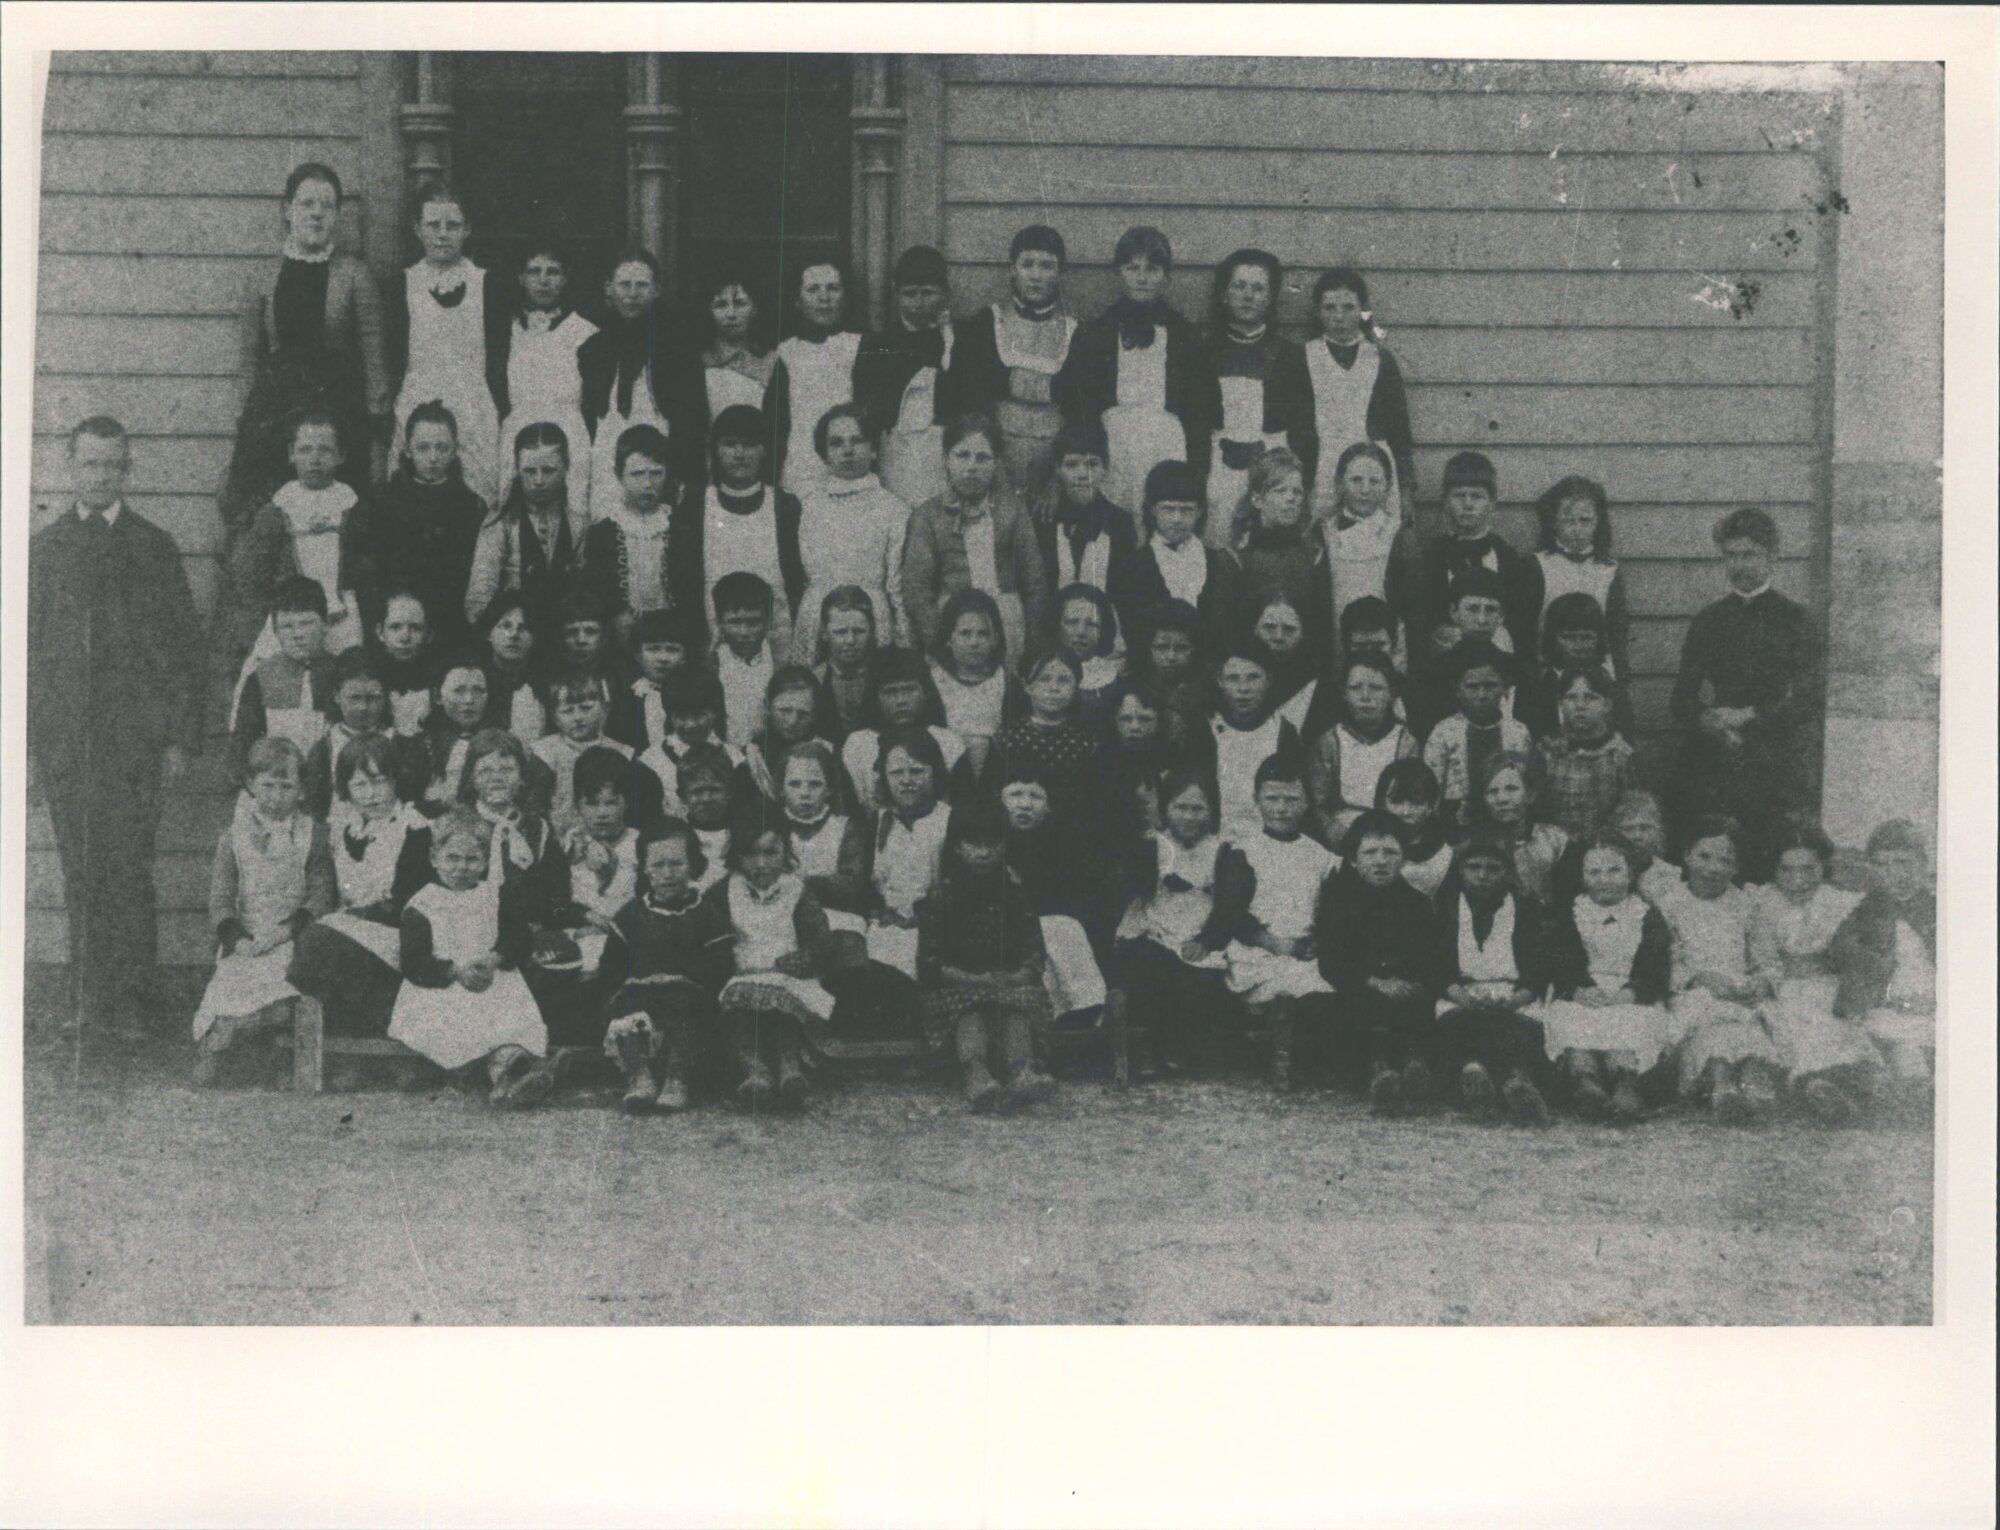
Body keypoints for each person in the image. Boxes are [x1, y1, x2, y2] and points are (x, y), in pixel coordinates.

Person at [28, 417, 205, 1037]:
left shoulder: (152, 546)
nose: (100, 476)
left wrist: (181, 739)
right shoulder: (45, 550)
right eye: (89, 464)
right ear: (70, 468)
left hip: (135, 743)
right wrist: (27, 747)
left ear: (126, 470)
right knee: (80, 869)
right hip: (67, 742)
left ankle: (132, 1000)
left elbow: (184, 648)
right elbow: (25, 652)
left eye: (111, 465)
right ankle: (88, 998)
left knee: (130, 867)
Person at [219, 163, 389, 537]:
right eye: (306, 203)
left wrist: (377, 439)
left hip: (339, 416)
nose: (316, 213)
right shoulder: (263, 277)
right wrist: (246, 427)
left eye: (327, 206)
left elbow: (375, 364)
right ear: (287, 209)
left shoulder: (354, 275)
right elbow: (249, 362)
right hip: (275, 417)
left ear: (337, 215)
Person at [1669, 506, 1823, 880]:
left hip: (1774, 755)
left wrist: (1749, 716)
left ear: (1772, 556)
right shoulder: (1710, 620)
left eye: (1749, 554)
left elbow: (1807, 698)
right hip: (1717, 755)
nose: (1739, 564)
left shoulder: (1796, 620)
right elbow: (1682, 697)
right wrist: (1709, 720)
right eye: (1731, 555)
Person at [190, 738, 337, 1083]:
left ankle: (261, 1054)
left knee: (284, 990)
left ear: (301, 791)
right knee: (231, 982)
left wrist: (285, 932)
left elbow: (320, 895)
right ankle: (216, 1043)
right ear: (251, 785)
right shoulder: (233, 837)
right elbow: (221, 900)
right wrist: (238, 940)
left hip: (291, 935)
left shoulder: (313, 834)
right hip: (247, 936)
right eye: (267, 785)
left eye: (286, 786)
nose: (276, 794)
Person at [389, 807, 553, 1106]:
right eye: (452, 858)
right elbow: (414, 963)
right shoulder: (423, 904)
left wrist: (494, 958)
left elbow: (518, 936)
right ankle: (502, 1075)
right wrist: (455, 971)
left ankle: (512, 1070)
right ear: (434, 858)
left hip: (489, 976)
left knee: (509, 1019)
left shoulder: (493, 895)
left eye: (471, 859)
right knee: (456, 1024)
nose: (461, 867)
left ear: (486, 861)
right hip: (442, 983)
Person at [1057, 225, 1220, 519]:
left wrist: (1196, 473)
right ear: (1119, 273)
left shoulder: (1186, 336)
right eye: (1133, 268)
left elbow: (1200, 412)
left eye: (1153, 269)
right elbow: (1078, 403)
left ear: (1167, 276)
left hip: (1167, 446)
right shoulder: (1096, 333)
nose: (1142, 278)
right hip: (1112, 446)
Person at [286, 733, 434, 1050]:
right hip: (348, 930)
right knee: (314, 944)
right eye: (360, 785)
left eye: (380, 782)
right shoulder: (341, 830)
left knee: (318, 945)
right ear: (346, 789)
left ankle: (377, 1035)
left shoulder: (413, 827)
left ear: (395, 780)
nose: (371, 795)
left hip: (396, 933)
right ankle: (361, 1039)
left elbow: (410, 903)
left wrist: (352, 919)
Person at [918, 795, 1057, 1112]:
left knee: (1018, 1008)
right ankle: (975, 1074)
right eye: (973, 844)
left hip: (1005, 980)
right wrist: (971, 979)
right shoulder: (943, 896)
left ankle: (1021, 1070)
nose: (983, 852)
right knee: (969, 1012)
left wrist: (1018, 975)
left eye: (992, 844)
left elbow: (1033, 947)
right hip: (955, 985)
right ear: (956, 846)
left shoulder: (1015, 893)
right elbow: (929, 963)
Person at [1201, 756, 1339, 1074]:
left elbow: (1329, 912)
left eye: (1291, 800)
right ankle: (1276, 1023)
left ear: (1306, 802)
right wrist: (1275, 943)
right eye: (1272, 799)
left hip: (1304, 952)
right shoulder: (1243, 851)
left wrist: (1314, 942)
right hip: (1259, 950)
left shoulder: (1320, 855)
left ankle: (1294, 1032)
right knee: (1293, 989)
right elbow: (1231, 912)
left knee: (1325, 990)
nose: (1281, 808)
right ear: (1256, 801)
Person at [600, 819, 734, 1115]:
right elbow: (611, 963)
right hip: (640, 994)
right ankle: (640, 1078)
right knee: (624, 1012)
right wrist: (617, 991)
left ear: (693, 865)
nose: (668, 874)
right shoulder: (632, 914)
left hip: (687, 995)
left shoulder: (705, 912)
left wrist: (693, 980)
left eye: (676, 864)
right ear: (645, 869)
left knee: (686, 1012)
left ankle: (677, 1079)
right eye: (658, 865)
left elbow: (721, 961)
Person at [710, 803, 838, 1111]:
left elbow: (820, 939)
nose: (762, 864)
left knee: (783, 1013)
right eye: (752, 854)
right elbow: (711, 937)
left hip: (786, 974)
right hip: (741, 975)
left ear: (786, 851)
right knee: (739, 1013)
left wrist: (801, 960)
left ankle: (789, 1068)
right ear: (737, 856)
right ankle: (755, 1071)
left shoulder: (796, 890)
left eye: (771, 853)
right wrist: (724, 962)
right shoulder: (724, 891)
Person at [216, 410, 366, 672]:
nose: (315, 459)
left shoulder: (354, 508)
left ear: (341, 455)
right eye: (305, 450)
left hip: (343, 616)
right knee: (268, 673)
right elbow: (250, 576)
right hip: (291, 614)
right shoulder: (276, 511)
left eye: (325, 450)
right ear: (291, 454)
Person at [1540, 834, 1674, 1123]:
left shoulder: (1645, 914)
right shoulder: (1574, 912)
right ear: (1582, 876)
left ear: (1630, 873)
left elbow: (1655, 963)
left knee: (1633, 1022)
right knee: (1571, 1019)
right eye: (1594, 872)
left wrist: (1633, 991)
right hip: (1584, 990)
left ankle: (1626, 1085)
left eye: (1614, 870)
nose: (1605, 879)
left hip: (1631, 992)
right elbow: (1561, 958)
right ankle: (1586, 1083)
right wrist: (1577, 989)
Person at [384, 181, 501, 509]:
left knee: (478, 493)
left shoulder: (487, 284)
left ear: (467, 230)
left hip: (473, 403)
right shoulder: (401, 285)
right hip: (417, 399)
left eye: (453, 225)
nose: (443, 234)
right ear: (418, 229)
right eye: (434, 225)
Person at [1316, 811, 1442, 1114]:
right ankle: (1380, 1072)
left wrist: (1416, 983)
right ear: (1354, 859)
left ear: (1404, 859)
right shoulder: (1339, 899)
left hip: (1406, 987)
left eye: (1391, 852)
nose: (1381, 860)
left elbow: (1431, 955)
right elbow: (1332, 960)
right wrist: (1375, 981)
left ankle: (1415, 1070)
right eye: (1370, 852)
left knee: (1418, 1013)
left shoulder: (1417, 903)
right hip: (1363, 985)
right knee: (1362, 1014)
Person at [1660, 816, 1783, 1124]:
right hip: (1691, 990)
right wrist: (1698, 978)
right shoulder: (1669, 904)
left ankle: (1754, 1083)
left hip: (1738, 989)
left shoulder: (1746, 905)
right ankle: (1720, 1083)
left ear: (1737, 867)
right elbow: (1665, 961)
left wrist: (1762, 981)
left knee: (1750, 1025)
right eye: (1704, 856)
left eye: (1725, 860)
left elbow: (1767, 959)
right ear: (1687, 855)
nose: (1713, 867)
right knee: (1708, 1023)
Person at [940, 224, 1076, 499]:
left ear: (1060, 273)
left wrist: (1057, 481)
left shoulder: (1076, 334)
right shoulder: (985, 326)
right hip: (994, 466)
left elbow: (1079, 415)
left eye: (1047, 266)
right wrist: (993, 470)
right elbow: (971, 405)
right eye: (1027, 264)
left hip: (1053, 470)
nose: (1036, 275)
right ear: (1012, 269)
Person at [1265, 267, 1414, 517]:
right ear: (1317, 312)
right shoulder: (1301, 357)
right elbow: (1288, 425)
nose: (1339, 316)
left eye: (1348, 308)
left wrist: (1407, 489)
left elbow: (1399, 429)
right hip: (1319, 468)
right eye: (1329, 308)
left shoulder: (1380, 359)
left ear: (1362, 311)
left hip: (1371, 469)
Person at [1110, 767, 1231, 1076]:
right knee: (1149, 968)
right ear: (1166, 809)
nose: (1189, 817)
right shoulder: (1154, 844)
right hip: (1153, 926)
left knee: (1196, 980)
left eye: (1197, 809)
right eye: (1180, 808)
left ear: (1212, 810)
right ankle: (1147, 1046)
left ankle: (1177, 1045)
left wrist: (1207, 940)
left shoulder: (1222, 850)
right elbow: (1134, 884)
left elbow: (1231, 901)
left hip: (1197, 928)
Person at [1750, 820, 1872, 1124]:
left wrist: (1830, 965)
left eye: (1808, 869)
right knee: (1793, 1022)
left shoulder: (1838, 903)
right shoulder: (1765, 904)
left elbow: (1855, 956)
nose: (1798, 880)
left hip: (1833, 985)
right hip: (1786, 988)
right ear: (1774, 870)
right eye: (1786, 870)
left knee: (1836, 1022)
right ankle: (1814, 1085)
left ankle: (1843, 1085)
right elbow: (1764, 959)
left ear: (1823, 866)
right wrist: (1776, 976)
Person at [902, 412, 1050, 661]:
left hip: (1006, 622)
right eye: (962, 456)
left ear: (995, 463)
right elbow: (917, 590)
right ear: (946, 459)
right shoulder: (927, 516)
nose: (972, 467)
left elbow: (1034, 582)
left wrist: (1032, 641)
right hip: (951, 626)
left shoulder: (1013, 511)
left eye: (982, 458)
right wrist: (939, 644)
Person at [1431, 833, 1553, 1126]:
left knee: (1520, 1030)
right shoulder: (1444, 908)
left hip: (1513, 994)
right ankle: (1474, 1079)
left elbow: (1538, 968)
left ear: (1507, 872)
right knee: (1459, 1025)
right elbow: (1437, 966)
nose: (1483, 876)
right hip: (1460, 992)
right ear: (1460, 871)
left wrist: (1514, 1000)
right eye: (1474, 868)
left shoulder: (1525, 908)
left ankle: (1518, 1084)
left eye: (1492, 868)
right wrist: (1463, 997)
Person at [669, 405, 808, 656]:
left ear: (765, 450)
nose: (739, 453)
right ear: (716, 451)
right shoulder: (696, 505)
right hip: (709, 639)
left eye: (749, 444)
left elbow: (797, 581)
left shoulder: (785, 506)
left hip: (779, 636)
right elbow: (684, 581)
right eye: (730, 444)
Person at [578, 247, 707, 514]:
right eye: (624, 285)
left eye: (642, 285)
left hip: (657, 458)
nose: (633, 294)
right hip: (607, 456)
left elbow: (692, 416)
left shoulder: (676, 344)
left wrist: (678, 473)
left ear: (656, 289)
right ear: (609, 288)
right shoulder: (594, 347)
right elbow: (589, 414)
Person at [345, 399, 484, 642]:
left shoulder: (471, 507)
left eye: (442, 448)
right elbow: (365, 575)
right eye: (423, 448)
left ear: (455, 451)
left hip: (450, 629)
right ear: (407, 449)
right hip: (394, 627)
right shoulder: (379, 503)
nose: (432, 458)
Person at [1827, 819, 1935, 1108]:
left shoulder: (1937, 910)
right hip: (1888, 1009)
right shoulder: (1868, 910)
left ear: (1924, 865)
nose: (1895, 874)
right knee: (1892, 1048)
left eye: (1904, 863)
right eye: (1883, 865)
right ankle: (1906, 1089)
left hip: (1934, 1009)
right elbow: (1841, 952)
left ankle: (1916, 1089)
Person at [793, 404, 910, 662]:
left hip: (870, 618)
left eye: (857, 441)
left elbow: (897, 584)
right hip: (818, 619)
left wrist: (903, 646)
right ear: (825, 453)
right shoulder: (809, 506)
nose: (847, 450)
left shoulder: (893, 509)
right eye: (836, 443)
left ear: (873, 450)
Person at [490, 240, 598, 516]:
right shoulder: (507, 330)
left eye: (553, 272)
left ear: (565, 278)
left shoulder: (585, 332)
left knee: (572, 513)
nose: (543, 280)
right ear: (521, 277)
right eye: (534, 271)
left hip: (570, 438)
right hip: (517, 435)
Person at [997, 762, 1111, 1024]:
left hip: (1046, 923)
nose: (1025, 804)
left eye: (1035, 796)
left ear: (1049, 808)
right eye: (1016, 795)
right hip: (1003, 925)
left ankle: (1087, 1009)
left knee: (1062, 928)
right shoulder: (991, 841)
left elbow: (1066, 897)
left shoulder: (1061, 847)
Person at [1418, 450, 1543, 665]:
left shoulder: (1508, 559)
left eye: (1477, 496)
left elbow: (1521, 623)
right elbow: (1422, 620)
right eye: (1459, 495)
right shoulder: (1430, 558)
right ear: (1445, 501)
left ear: (1492, 502)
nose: (1467, 505)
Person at [464, 422, 590, 633]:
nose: (538, 480)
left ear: (567, 466)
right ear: (516, 468)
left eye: (549, 470)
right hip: (512, 636)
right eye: (530, 471)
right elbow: (479, 597)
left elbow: (584, 596)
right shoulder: (500, 524)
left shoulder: (579, 525)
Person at [854, 244, 954, 507]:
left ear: (945, 293)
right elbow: (867, 407)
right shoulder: (877, 345)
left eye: (928, 293)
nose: (919, 303)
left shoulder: (957, 341)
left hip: (943, 462)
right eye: (910, 294)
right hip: (893, 461)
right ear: (896, 293)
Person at [1029, 419, 1143, 643]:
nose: (1083, 474)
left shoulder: (1119, 523)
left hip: (1103, 636)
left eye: (1092, 464)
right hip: (1050, 637)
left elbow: (1125, 592)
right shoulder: (1043, 519)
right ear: (1057, 469)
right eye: (1072, 465)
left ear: (1105, 468)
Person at [1202, 248, 1287, 547]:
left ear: (1272, 298)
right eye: (1239, 286)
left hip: (1271, 472)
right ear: (1224, 295)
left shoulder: (1289, 355)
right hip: (1217, 472)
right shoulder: (1203, 351)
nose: (1248, 296)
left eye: (1258, 288)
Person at [1119, 460, 1243, 658]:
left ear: (1200, 511)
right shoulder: (1134, 565)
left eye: (1186, 510)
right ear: (1153, 510)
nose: (1177, 519)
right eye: (1168, 509)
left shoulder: (1220, 563)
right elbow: (1133, 630)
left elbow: (1229, 626)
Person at [1193, 644, 1307, 846]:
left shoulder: (1283, 730)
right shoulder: (1204, 727)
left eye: (1253, 678)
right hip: (1215, 838)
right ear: (1219, 681)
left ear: (1268, 680)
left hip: (1268, 841)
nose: (1243, 688)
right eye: (1233, 678)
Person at [771, 258, 864, 499]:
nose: (824, 297)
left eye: (833, 288)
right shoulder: (784, 353)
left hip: (848, 468)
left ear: (845, 297)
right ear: (797, 300)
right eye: (813, 289)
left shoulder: (860, 347)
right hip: (799, 471)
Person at [1420, 640, 1533, 837]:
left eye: (1490, 686)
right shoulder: (1444, 733)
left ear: (1504, 686)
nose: (1482, 695)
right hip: (1455, 828)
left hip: (1506, 827)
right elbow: (1432, 789)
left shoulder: (1517, 733)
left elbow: (1524, 786)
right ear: (1457, 689)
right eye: (1472, 687)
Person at [229, 575, 335, 784]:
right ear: (275, 631)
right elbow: (245, 742)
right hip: (277, 784)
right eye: (287, 626)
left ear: (325, 624)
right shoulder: (261, 677)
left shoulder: (340, 672)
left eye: (306, 623)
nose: (297, 634)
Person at [578, 423, 681, 637]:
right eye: (637, 474)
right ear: (619, 475)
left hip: (669, 632)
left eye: (656, 473)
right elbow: (597, 590)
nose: (647, 484)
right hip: (620, 633)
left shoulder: (679, 526)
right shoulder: (603, 532)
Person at [1229, 447, 1332, 661]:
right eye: (1280, 491)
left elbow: (1321, 626)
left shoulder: (1313, 554)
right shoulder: (1238, 555)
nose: (1291, 499)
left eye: (1297, 492)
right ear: (1257, 500)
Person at [1308, 652, 1420, 849]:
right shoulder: (1329, 742)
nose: (1365, 697)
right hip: (1342, 836)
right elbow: (1319, 804)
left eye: (1376, 688)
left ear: (1391, 694)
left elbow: (1410, 802)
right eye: (1355, 688)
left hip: (1390, 835)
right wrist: (1336, 834)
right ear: (1344, 693)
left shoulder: (1405, 742)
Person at [841, 645, 969, 810]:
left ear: (925, 692)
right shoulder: (857, 745)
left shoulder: (948, 742)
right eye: (890, 692)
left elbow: (965, 806)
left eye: (909, 690)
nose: (901, 700)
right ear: (876, 697)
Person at [983, 650, 1100, 830]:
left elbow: (1092, 800)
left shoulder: (1087, 742)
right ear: (1026, 686)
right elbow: (990, 796)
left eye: (1064, 680)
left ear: (1076, 687)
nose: (1054, 687)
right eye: (1044, 679)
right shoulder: (1006, 739)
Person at [303, 649, 426, 818]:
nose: (363, 707)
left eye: (373, 698)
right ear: (337, 696)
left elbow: (412, 801)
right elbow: (316, 808)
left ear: (385, 697)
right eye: (354, 698)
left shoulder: (403, 746)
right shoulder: (324, 749)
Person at [1532, 475, 1631, 684]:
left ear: (1598, 522)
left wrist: (1620, 678)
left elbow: (1616, 630)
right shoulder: (1538, 565)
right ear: (1553, 523)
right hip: (1548, 671)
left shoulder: (1608, 569)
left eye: (1585, 521)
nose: (1577, 529)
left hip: (1598, 673)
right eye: (1568, 521)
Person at [1322, 441, 1422, 647]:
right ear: (1340, 484)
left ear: (1387, 487)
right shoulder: (1323, 533)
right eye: (1356, 480)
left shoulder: (1399, 536)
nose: (1365, 490)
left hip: (1385, 642)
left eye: (1375, 481)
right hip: (1334, 638)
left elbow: (1413, 608)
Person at [927, 588, 1025, 781]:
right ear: (948, 638)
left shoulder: (1005, 682)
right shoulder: (933, 681)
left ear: (995, 638)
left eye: (983, 634)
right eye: (965, 633)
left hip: (994, 775)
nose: (974, 642)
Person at [1516, 592, 1636, 744]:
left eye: (1587, 637)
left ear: (1599, 639)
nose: (1578, 646)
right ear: (1553, 639)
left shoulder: (1609, 686)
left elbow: (1626, 737)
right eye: (1568, 637)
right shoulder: (1539, 686)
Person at [1536, 666, 1639, 841]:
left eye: (1590, 697)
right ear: (1560, 703)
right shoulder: (1548, 752)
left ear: (1607, 705)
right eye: (1571, 697)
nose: (1580, 705)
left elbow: (1631, 811)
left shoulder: (1620, 755)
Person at [1467, 751, 1570, 904]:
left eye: (1511, 789)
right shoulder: (1473, 846)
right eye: (1492, 791)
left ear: (1530, 794)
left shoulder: (1555, 840)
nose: (1501, 799)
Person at [638, 668, 740, 817]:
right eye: (681, 717)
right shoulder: (650, 762)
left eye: (699, 715)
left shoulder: (735, 759)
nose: (690, 724)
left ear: (715, 712)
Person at [692, 263, 782, 424]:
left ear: (755, 308)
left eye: (740, 304)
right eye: (721, 305)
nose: (731, 314)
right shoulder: (697, 361)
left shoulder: (772, 362)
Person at [741, 666, 841, 809]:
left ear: (814, 714)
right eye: (785, 711)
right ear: (768, 707)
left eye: (803, 713)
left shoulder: (828, 752)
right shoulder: (752, 756)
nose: (793, 721)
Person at [709, 573, 783, 753]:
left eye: (753, 622)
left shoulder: (779, 664)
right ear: (720, 622)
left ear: (768, 621)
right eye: (734, 622)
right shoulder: (711, 666)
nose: (744, 632)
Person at [616, 604, 703, 753]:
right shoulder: (627, 701)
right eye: (653, 649)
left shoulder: (697, 698)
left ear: (685, 656)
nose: (663, 658)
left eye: (672, 649)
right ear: (638, 654)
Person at [474, 591, 551, 744]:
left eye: (524, 627)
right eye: (505, 625)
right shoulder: (475, 681)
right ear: (488, 634)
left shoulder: (545, 686)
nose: (514, 634)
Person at [810, 587, 885, 743]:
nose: (850, 640)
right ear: (824, 633)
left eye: (859, 631)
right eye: (840, 632)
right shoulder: (813, 680)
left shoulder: (886, 677)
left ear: (871, 631)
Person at [1049, 583, 1126, 734]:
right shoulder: (1042, 674)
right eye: (1071, 622)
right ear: (1057, 625)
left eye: (1092, 624)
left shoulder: (1114, 679)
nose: (1081, 632)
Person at [1375, 759, 1453, 901]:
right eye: (1396, 802)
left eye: (1416, 802)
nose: (1405, 812)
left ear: (1431, 806)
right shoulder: (1365, 845)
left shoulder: (1443, 854)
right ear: (1382, 803)